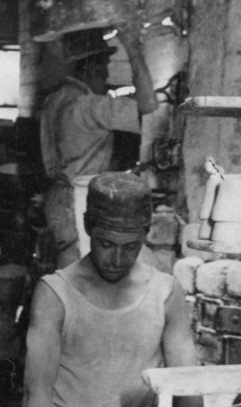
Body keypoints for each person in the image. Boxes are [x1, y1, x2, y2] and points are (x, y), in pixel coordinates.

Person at [23, 171, 204, 407]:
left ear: (145, 234)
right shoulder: (55, 294)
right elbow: (36, 391)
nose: (117, 260)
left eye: (130, 247)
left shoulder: (165, 293)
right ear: (87, 226)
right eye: (106, 244)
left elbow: (189, 391)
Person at [39, 24, 160, 269]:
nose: (106, 75)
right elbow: (148, 106)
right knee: (80, 270)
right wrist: (134, 51)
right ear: (91, 68)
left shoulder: (54, 100)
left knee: (73, 269)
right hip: (78, 198)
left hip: (58, 197)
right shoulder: (88, 105)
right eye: (104, 66)